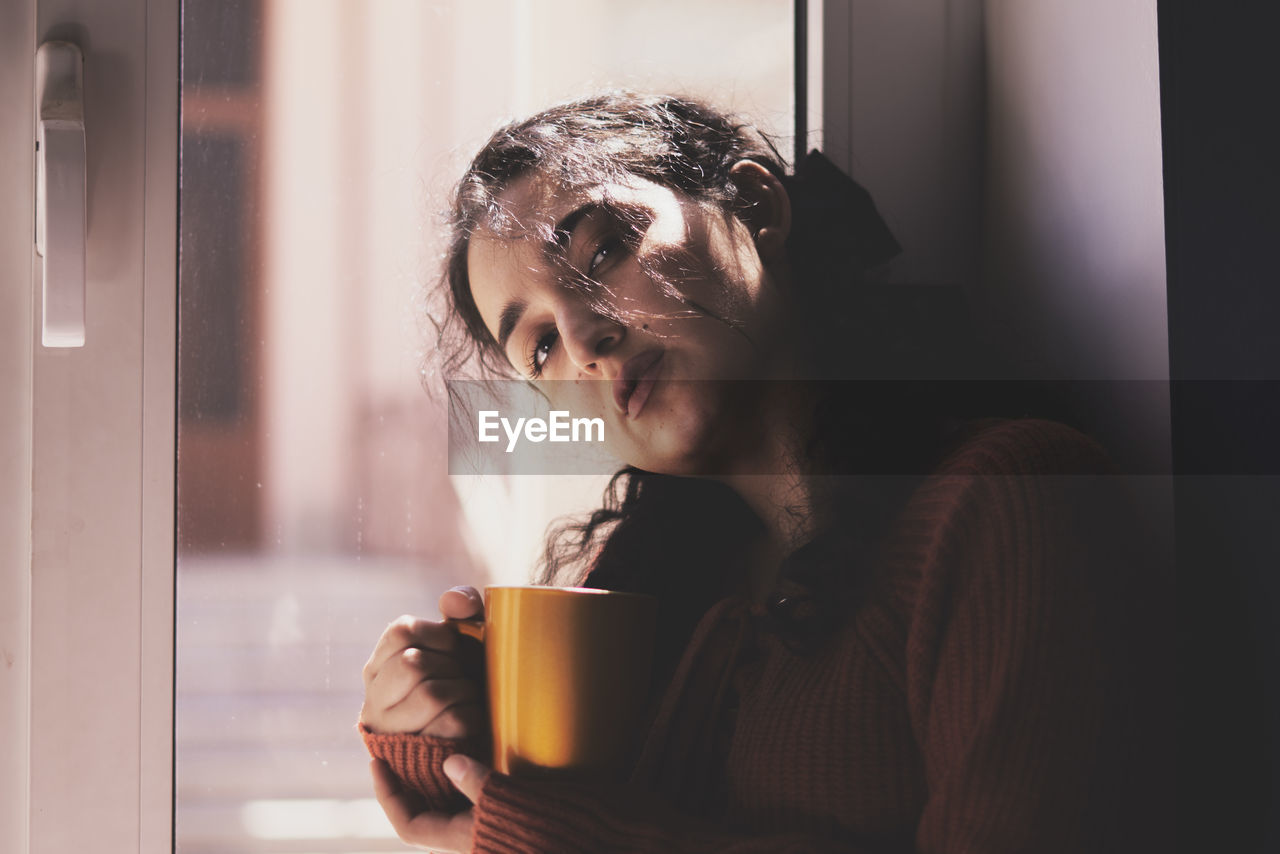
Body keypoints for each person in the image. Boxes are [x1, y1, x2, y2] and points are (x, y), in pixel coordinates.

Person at [357, 92, 1171, 853]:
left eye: (603, 250)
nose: (583, 338)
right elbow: (541, 807)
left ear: (757, 208)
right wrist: (441, 733)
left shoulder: (1008, 502)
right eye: (537, 346)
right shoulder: (658, 592)